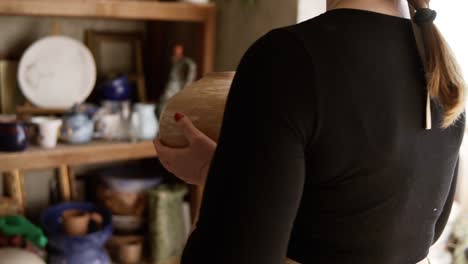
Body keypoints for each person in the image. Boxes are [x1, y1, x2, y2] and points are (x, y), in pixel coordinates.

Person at [154, 0, 466, 263]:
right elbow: (406, 228)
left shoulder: (286, 58)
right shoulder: (442, 70)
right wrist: (244, 177)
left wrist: (215, 174)